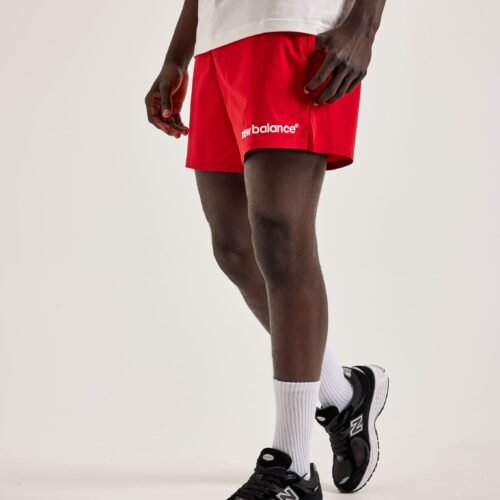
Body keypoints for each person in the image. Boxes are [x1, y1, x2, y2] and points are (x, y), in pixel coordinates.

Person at [145, 1, 389, 498]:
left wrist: (363, 26)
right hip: (218, 44)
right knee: (234, 247)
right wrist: (176, 56)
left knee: (282, 237)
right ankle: (342, 394)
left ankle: (292, 466)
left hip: (295, 29)